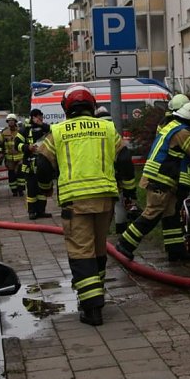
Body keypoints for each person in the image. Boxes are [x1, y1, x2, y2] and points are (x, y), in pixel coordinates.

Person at [35, 85, 136, 326]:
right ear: (91, 105)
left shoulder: (57, 132)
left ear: (66, 107)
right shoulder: (107, 128)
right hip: (105, 200)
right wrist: (130, 190)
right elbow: (124, 160)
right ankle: (96, 293)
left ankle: (92, 309)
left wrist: (44, 188)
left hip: (75, 202)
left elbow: (42, 163)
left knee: (81, 253)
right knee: (99, 249)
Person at [116, 102, 190, 262]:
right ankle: (125, 244)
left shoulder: (172, 127)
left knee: (171, 216)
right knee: (152, 214)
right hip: (161, 179)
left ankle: (176, 251)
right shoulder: (183, 132)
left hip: (161, 179)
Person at [21, 108, 52, 219]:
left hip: (43, 165)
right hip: (30, 165)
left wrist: (42, 124)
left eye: (41, 116)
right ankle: (32, 212)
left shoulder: (45, 128)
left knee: (42, 190)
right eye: (37, 116)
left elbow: (53, 131)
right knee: (32, 189)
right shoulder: (25, 129)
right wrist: (27, 147)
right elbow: (17, 144)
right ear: (32, 117)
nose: (40, 118)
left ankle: (41, 211)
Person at [0, 114, 26, 197]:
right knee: (11, 175)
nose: (11, 122)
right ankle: (14, 191)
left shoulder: (20, 131)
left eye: (12, 120)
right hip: (9, 159)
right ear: (7, 122)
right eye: (9, 121)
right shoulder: (4, 133)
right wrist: (0, 153)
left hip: (20, 158)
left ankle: (21, 190)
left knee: (21, 175)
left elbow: (25, 143)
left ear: (15, 121)